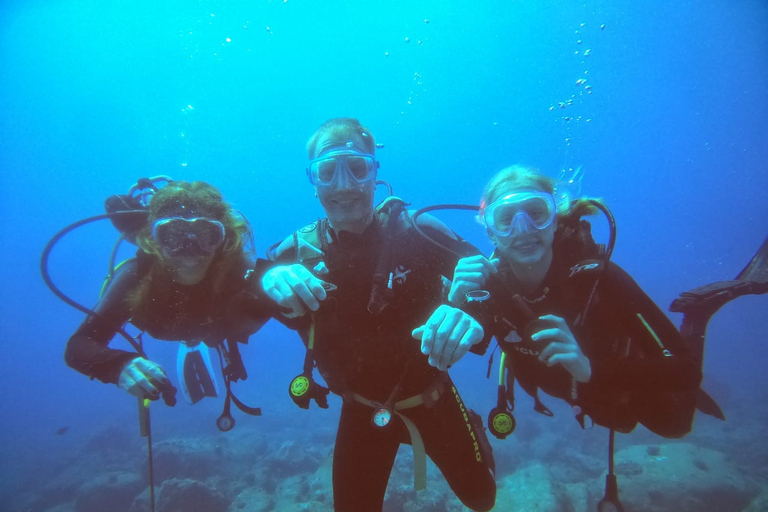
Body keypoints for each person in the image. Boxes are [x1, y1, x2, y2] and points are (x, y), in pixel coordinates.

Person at [260, 118, 496, 512]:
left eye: (356, 167)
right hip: (361, 408)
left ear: (374, 172)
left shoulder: (417, 230)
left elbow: (490, 279)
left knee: (482, 500)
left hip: (433, 397)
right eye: (326, 171)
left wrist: (472, 317)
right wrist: (267, 278)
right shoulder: (298, 251)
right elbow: (244, 285)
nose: (343, 185)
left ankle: (469, 424)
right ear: (312, 180)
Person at [448, 165, 702, 439]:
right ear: (491, 232)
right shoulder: (490, 288)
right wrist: (454, 304)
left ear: (555, 220)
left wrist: (591, 369)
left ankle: (699, 314)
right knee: (621, 420)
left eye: (536, 213)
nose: (523, 230)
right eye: (506, 219)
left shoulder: (599, 280)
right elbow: (456, 349)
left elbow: (686, 371)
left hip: (613, 377)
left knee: (674, 426)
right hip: (574, 391)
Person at [65, 180, 270, 410]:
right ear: (153, 239)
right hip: (166, 323)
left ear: (221, 239)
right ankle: (195, 340)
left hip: (216, 328)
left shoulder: (237, 269)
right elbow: (78, 346)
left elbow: (273, 285)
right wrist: (118, 366)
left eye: (204, 234)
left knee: (236, 322)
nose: (189, 248)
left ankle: (201, 340)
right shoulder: (135, 276)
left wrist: (281, 275)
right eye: (173, 235)